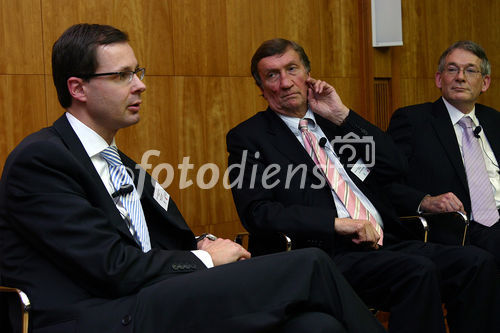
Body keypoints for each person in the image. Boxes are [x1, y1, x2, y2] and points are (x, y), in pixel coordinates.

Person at [0, 24, 386, 333]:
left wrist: (200, 242)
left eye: (138, 72)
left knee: (315, 324)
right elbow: (111, 266)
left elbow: (155, 238)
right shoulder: (42, 159)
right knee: (311, 264)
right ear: (78, 88)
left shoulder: (121, 163)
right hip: (101, 314)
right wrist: (204, 258)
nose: (140, 85)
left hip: (153, 296)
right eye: (122, 75)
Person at [226, 38, 499, 333]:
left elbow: (395, 165)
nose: (285, 82)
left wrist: (342, 115)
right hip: (326, 253)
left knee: (476, 263)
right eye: (272, 75)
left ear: (308, 74)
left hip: (387, 242)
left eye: (292, 69)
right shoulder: (248, 138)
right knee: (417, 272)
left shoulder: (334, 124)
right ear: (262, 89)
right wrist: (336, 224)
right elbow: (257, 212)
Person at [387, 40, 500, 266]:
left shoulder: (495, 121)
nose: (460, 77)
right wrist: (426, 201)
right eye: (452, 69)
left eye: (470, 70)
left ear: (485, 83)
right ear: (439, 79)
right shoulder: (413, 121)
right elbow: (385, 182)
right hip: (458, 227)